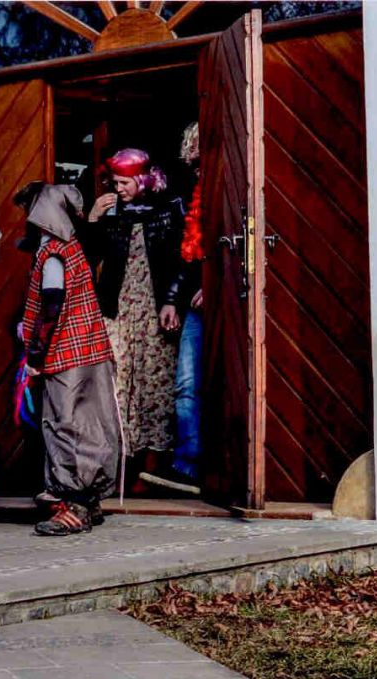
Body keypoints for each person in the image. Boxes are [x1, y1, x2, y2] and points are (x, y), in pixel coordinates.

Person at [14, 182, 120, 535]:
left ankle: (74, 504)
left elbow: (52, 304)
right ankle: (90, 501)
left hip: (65, 352)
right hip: (91, 347)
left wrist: (36, 352)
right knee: (91, 422)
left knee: (65, 423)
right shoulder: (73, 246)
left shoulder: (52, 255)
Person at [86, 148, 186, 494]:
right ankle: (118, 465)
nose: (118, 188)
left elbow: (184, 258)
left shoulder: (169, 208)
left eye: (124, 182)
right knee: (117, 382)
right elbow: (90, 256)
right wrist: (94, 219)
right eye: (115, 182)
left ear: (142, 180)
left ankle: (151, 468)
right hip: (118, 308)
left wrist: (172, 300)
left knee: (154, 382)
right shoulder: (112, 211)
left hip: (154, 308)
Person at [167, 123, 205, 494]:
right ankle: (187, 466)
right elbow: (185, 258)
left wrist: (217, 285)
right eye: (193, 165)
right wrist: (171, 299)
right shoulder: (188, 198)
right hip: (195, 306)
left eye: (201, 162)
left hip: (232, 303)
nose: (196, 171)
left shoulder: (231, 189)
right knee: (186, 385)